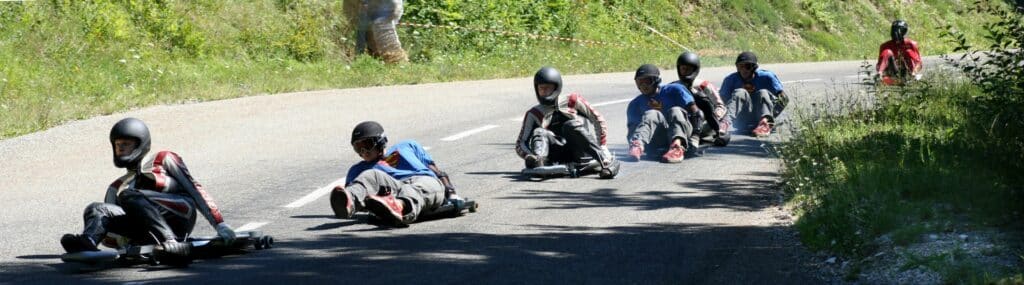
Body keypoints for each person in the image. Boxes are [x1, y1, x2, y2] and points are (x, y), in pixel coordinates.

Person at [61, 118, 236, 257]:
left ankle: (172, 242)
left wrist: (219, 224)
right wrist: (124, 244)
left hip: (180, 215)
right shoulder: (117, 186)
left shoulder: (163, 159)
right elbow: (111, 229)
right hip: (145, 229)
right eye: (118, 145)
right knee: (96, 208)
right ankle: (87, 243)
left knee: (129, 196)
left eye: (126, 144)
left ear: (140, 144)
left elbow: (194, 188)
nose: (121, 149)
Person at [330, 121, 464, 227]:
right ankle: (349, 201)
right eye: (358, 148)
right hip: (392, 189)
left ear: (380, 141)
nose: (363, 151)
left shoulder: (407, 146)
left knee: (417, 188)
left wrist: (451, 193)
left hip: (424, 182)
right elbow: (364, 191)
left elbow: (436, 171)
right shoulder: (358, 169)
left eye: (367, 145)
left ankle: (399, 205)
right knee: (370, 175)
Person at [515, 67, 619, 178]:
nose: (544, 91)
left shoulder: (573, 100)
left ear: (556, 88)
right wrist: (529, 155)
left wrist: (602, 145)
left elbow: (598, 119)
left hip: (581, 152)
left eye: (548, 88)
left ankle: (604, 159)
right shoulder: (534, 113)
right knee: (539, 131)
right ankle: (539, 161)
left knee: (571, 125)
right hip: (556, 154)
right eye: (541, 88)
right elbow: (520, 143)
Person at [626, 64, 703, 163]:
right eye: (640, 82)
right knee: (652, 113)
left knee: (675, 110)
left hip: (683, 132)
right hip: (658, 138)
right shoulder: (635, 104)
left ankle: (677, 147)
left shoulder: (675, 90)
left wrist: (695, 137)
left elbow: (696, 113)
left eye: (647, 81)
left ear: (657, 81)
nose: (643, 86)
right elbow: (632, 130)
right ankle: (637, 146)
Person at [719, 51, 787, 137]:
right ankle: (725, 123)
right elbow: (720, 101)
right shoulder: (730, 79)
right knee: (740, 92)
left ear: (754, 67)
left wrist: (771, 116)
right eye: (740, 66)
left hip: (762, 114)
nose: (743, 69)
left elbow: (784, 98)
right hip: (742, 117)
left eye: (747, 66)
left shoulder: (767, 77)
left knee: (763, 92)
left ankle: (764, 124)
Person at [674, 51, 730, 146]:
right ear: (679, 70)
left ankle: (720, 130)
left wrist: (714, 117)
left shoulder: (704, 85)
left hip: (705, 122)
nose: (685, 72)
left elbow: (721, 106)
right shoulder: (674, 86)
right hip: (684, 122)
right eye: (683, 69)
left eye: (689, 69)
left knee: (701, 99)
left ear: (695, 70)